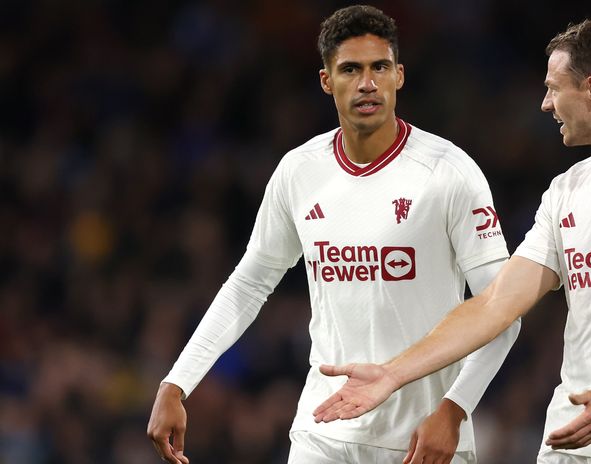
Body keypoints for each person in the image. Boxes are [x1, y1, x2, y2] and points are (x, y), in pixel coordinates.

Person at [313, 19, 591, 464]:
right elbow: (495, 304)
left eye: (554, 88)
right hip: (570, 438)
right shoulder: (567, 189)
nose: (546, 103)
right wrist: (392, 374)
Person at [146, 5, 520, 464]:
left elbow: (503, 311)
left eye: (379, 67)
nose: (368, 83)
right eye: (351, 70)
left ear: (399, 75)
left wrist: (454, 410)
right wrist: (177, 381)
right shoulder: (299, 171)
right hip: (321, 433)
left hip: (423, 438)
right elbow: (249, 284)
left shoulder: (449, 172)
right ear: (327, 80)